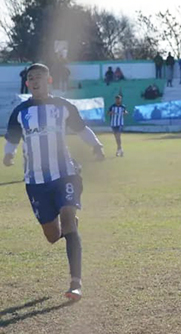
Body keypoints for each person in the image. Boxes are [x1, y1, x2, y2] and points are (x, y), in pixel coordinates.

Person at [3, 63, 106, 301]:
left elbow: (82, 129)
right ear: (27, 83)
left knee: (68, 220)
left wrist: (97, 146)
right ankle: (69, 231)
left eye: (39, 76)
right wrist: (9, 154)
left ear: (48, 80)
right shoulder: (20, 111)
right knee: (52, 235)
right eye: (30, 78)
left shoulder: (63, 106)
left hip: (65, 173)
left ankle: (75, 283)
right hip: (35, 180)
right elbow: (12, 138)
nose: (35, 80)